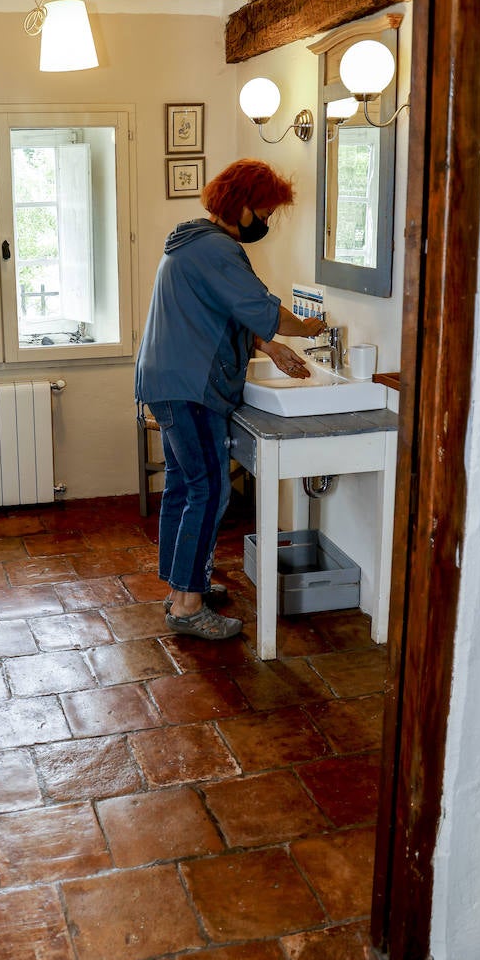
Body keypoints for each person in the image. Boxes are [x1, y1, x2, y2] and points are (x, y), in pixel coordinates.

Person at [134, 157, 327, 640]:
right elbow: (260, 308)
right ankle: (188, 606)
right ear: (240, 206)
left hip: (170, 379)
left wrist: (270, 345)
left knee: (184, 485)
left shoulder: (193, 240)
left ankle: (184, 586)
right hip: (189, 385)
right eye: (263, 211)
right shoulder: (218, 250)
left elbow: (221, 311)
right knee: (209, 489)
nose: (265, 222)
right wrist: (305, 329)